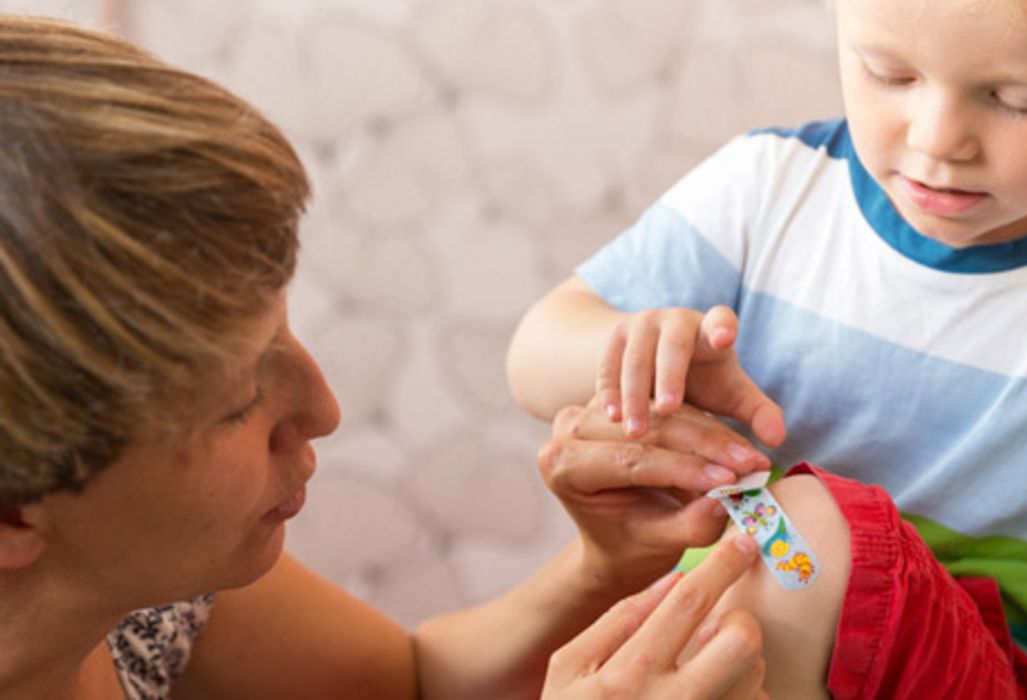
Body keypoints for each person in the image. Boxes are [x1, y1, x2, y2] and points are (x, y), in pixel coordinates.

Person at [507, 0, 1027, 697]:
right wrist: (644, 352)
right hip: (710, 647)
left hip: (983, 671)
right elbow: (536, 354)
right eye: (888, 74)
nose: (938, 139)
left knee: (796, 535)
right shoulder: (767, 187)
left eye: (1019, 100)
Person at [0, 15, 772, 700]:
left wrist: (601, 569)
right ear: (13, 512)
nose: (323, 411)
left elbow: (403, 684)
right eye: (238, 398)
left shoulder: (153, 589)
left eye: (281, 332)